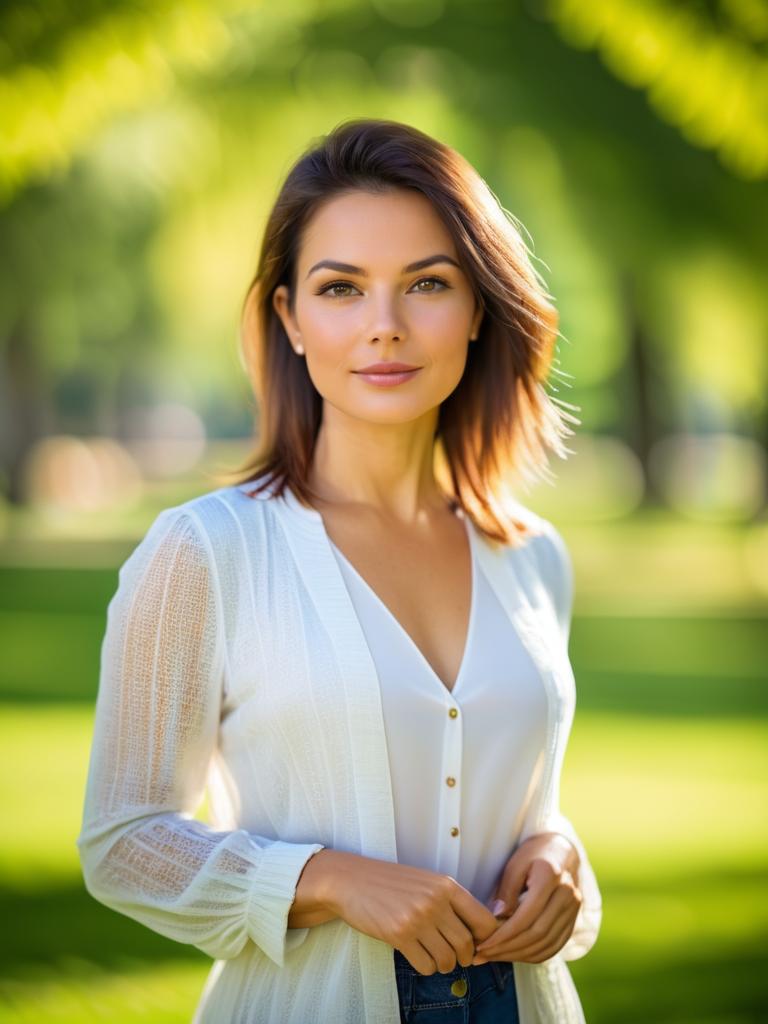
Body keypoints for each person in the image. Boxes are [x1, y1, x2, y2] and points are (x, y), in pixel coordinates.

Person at [76, 117, 602, 1024]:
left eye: (427, 285)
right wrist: (327, 880)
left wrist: (557, 857)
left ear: (478, 307)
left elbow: (526, 808)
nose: (384, 328)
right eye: (341, 288)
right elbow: (124, 842)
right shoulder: (208, 551)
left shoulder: (533, 557)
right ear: (289, 316)